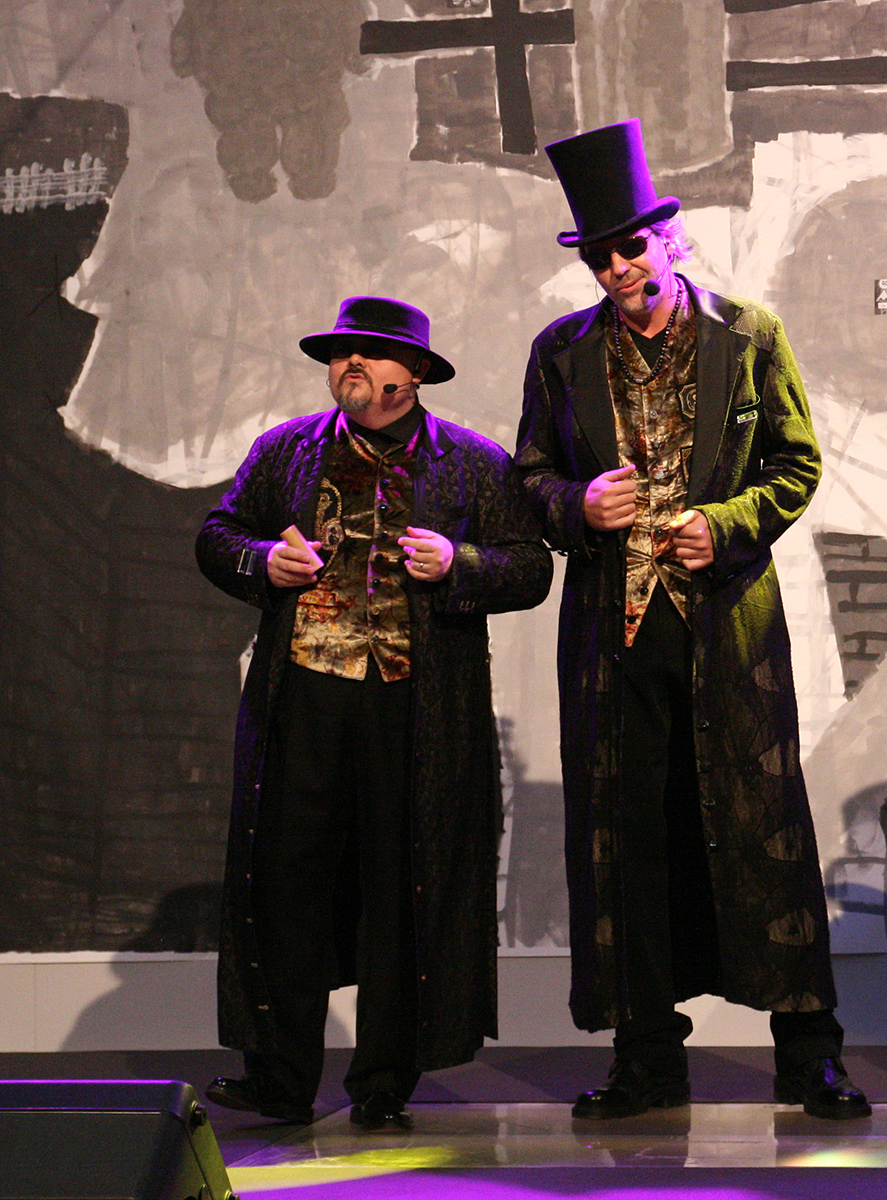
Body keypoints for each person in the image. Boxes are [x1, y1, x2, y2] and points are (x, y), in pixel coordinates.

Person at [514, 119, 869, 1121]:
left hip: (726, 624)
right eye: (600, 257)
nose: (619, 270)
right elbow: (529, 475)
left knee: (763, 827)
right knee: (628, 837)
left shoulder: (747, 335)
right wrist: (575, 505)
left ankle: (810, 1055)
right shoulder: (561, 354)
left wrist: (728, 523)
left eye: (631, 247)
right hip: (614, 633)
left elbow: (795, 463)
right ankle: (645, 1057)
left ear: (669, 239)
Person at [196, 296, 552, 1130]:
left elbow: (532, 568)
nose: (350, 364)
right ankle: (281, 1078)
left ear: (415, 373)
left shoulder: (471, 462)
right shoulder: (286, 450)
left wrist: (459, 562)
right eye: (341, 353)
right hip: (304, 700)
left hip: (414, 708)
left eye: (371, 352)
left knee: (403, 886)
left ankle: (385, 1082)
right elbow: (217, 534)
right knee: (286, 884)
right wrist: (263, 561)